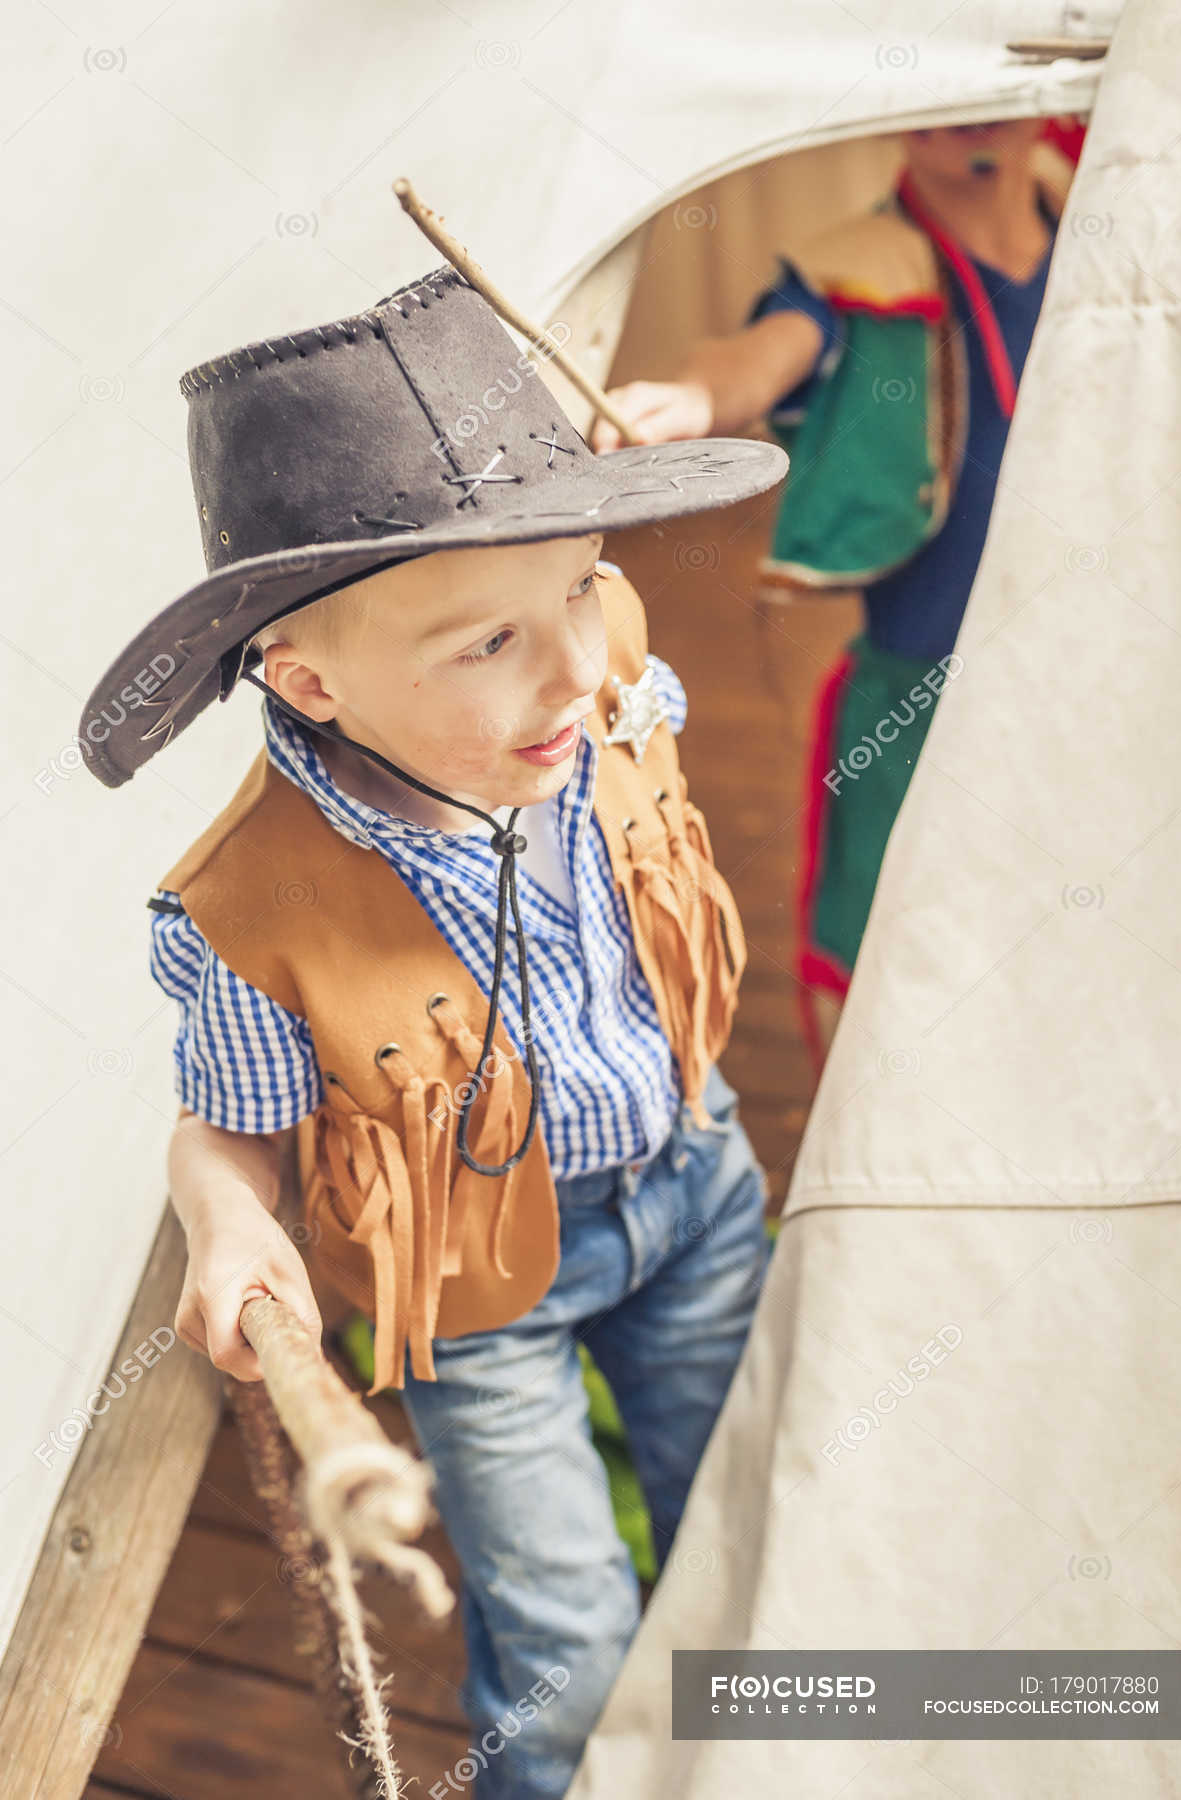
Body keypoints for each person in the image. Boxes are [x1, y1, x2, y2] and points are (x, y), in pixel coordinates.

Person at [77, 263, 789, 1799]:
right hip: (480, 1291)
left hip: (696, 1183)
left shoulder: (591, 681)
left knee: (759, 1514)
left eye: (581, 589)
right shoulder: (255, 910)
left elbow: (592, 668)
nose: (578, 670)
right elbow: (231, 1131)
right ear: (308, 678)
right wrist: (224, 1227)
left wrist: (552, 630)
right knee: (566, 1639)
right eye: (487, 644)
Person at [593, 116, 1083, 1062]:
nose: (957, 114)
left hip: (1110, 681)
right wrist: (697, 401)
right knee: (899, 964)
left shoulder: (1115, 229)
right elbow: (759, 353)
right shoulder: (852, 267)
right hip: (925, 694)